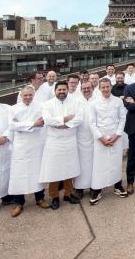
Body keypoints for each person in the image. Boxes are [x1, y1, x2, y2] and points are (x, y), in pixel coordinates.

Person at [39, 81, 83, 209]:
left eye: (64, 89)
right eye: (59, 90)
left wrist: (64, 124)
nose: (62, 92)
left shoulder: (76, 102)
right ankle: (54, 196)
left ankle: (68, 194)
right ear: (55, 91)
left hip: (70, 140)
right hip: (54, 141)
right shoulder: (47, 104)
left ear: (68, 90)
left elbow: (79, 118)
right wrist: (65, 119)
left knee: (69, 167)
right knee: (54, 169)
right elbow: (48, 120)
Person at [8, 86, 50, 217]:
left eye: (30, 95)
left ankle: (40, 198)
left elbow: (41, 123)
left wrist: (22, 124)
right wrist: (32, 123)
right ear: (21, 95)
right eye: (25, 95)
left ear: (34, 95)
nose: (27, 97)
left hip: (36, 144)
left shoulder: (41, 106)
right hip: (20, 146)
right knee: (18, 174)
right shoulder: (13, 108)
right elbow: (12, 125)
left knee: (36, 173)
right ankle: (18, 202)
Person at [88, 78, 128, 205]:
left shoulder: (118, 101)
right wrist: (101, 139)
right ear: (99, 89)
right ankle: (97, 189)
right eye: (103, 87)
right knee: (99, 165)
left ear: (111, 87)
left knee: (116, 163)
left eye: (107, 87)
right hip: (100, 139)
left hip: (115, 137)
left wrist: (116, 136)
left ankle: (117, 186)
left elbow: (122, 118)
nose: (105, 89)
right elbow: (92, 123)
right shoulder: (93, 103)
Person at [73, 82, 95, 199]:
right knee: (80, 164)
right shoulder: (76, 101)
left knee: (93, 164)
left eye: (88, 88)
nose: (86, 90)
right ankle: (79, 188)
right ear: (81, 90)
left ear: (92, 89)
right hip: (79, 137)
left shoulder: (97, 100)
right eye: (84, 88)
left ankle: (93, 187)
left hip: (94, 138)